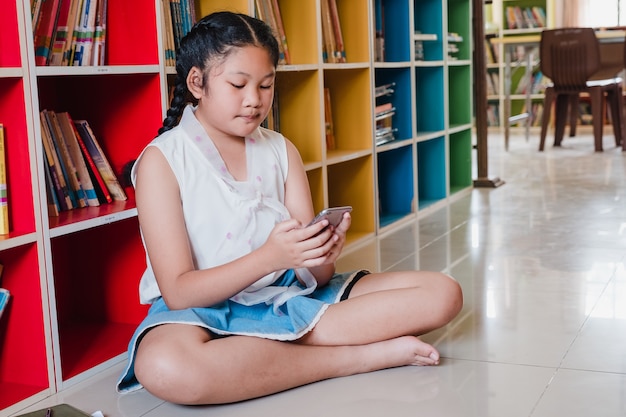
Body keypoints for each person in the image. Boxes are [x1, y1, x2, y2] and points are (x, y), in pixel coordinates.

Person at [116, 11, 463, 405]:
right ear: (197, 82)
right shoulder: (162, 161)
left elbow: (314, 275)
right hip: (204, 311)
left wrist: (320, 253)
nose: (254, 100)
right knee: (166, 365)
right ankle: (354, 357)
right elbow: (178, 293)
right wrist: (269, 257)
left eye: (266, 85)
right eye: (238, 84)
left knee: (442, 293)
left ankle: (265, 351)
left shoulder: (281, 149)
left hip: (288, 296)